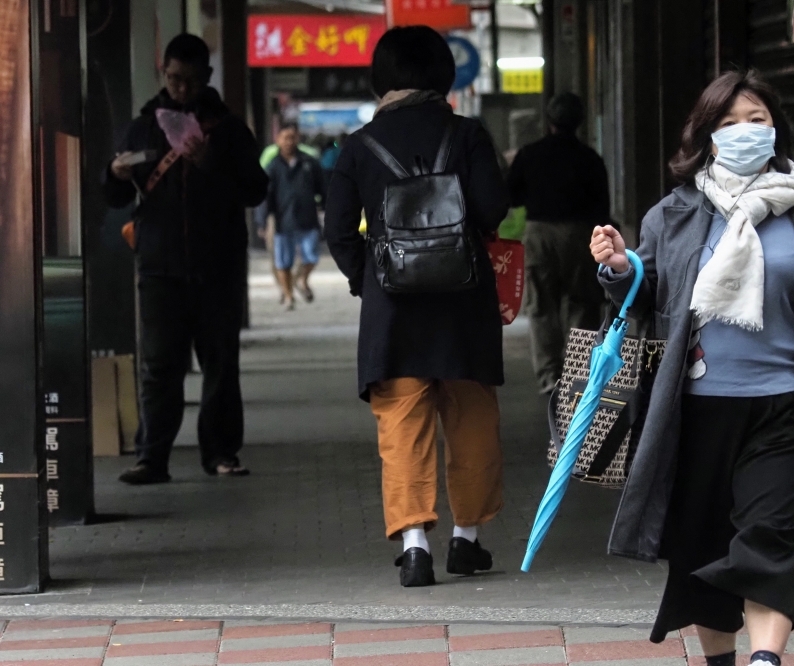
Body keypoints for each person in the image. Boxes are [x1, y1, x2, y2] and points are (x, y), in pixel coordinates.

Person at [589, 69, 794, 666]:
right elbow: (646, 295)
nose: (746, 132)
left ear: (777, 128)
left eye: (758, 120)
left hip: (786, 401)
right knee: (702, 545)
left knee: (769, 537)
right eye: (729, 123)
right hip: (698, 408)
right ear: (706, 135)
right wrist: (619, 267)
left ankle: (766, 659)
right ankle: (723, 658)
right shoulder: (674, 213)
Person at [325, 26, 509, 587]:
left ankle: (414, 548)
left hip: (394, 315)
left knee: (402, 427)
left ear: (380, 79)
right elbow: (492, 208)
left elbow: (338, 232)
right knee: (471, 417)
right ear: (443, 76)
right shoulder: (468, 134)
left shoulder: (357, 147)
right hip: (463, 307)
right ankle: (467, 541)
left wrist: (372, 283)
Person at [104, 34, 268, 484]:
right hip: (158, 266)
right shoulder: (143, 127)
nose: (180, 89)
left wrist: (210, 162)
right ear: (164, 73)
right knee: (159, 365)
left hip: (218, 267)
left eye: (190, 81)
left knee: (219, 363)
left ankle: (220, 453)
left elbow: (256, 189)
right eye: (174, 79)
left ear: (206, 79)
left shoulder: (229, 130)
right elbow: (114, 195)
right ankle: (151, 457)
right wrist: (114, 174)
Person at [507, 92, 610, 395]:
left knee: (541, 306)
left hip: (540, 233)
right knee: (583, 303)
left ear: (549, 120)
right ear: (579, 121)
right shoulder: (590, 158)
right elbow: (602, 205)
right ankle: (578, 371)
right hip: (580, 235)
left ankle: (550, 375)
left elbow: (512, 196)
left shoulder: (529, 154)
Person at [256, 121, 326, 310]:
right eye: (285, 138)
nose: (288, 142)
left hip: (307, 217)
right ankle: (288, 297)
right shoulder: (272, 165)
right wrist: (262, 221)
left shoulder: (309, 163)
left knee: (311, 257)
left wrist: (328, 209)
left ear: (298, 139)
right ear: (277, 140)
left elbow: (324, 189)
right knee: (283, 262)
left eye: (292, 137)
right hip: (282, 220)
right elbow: (264, 195)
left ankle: (301, 279)